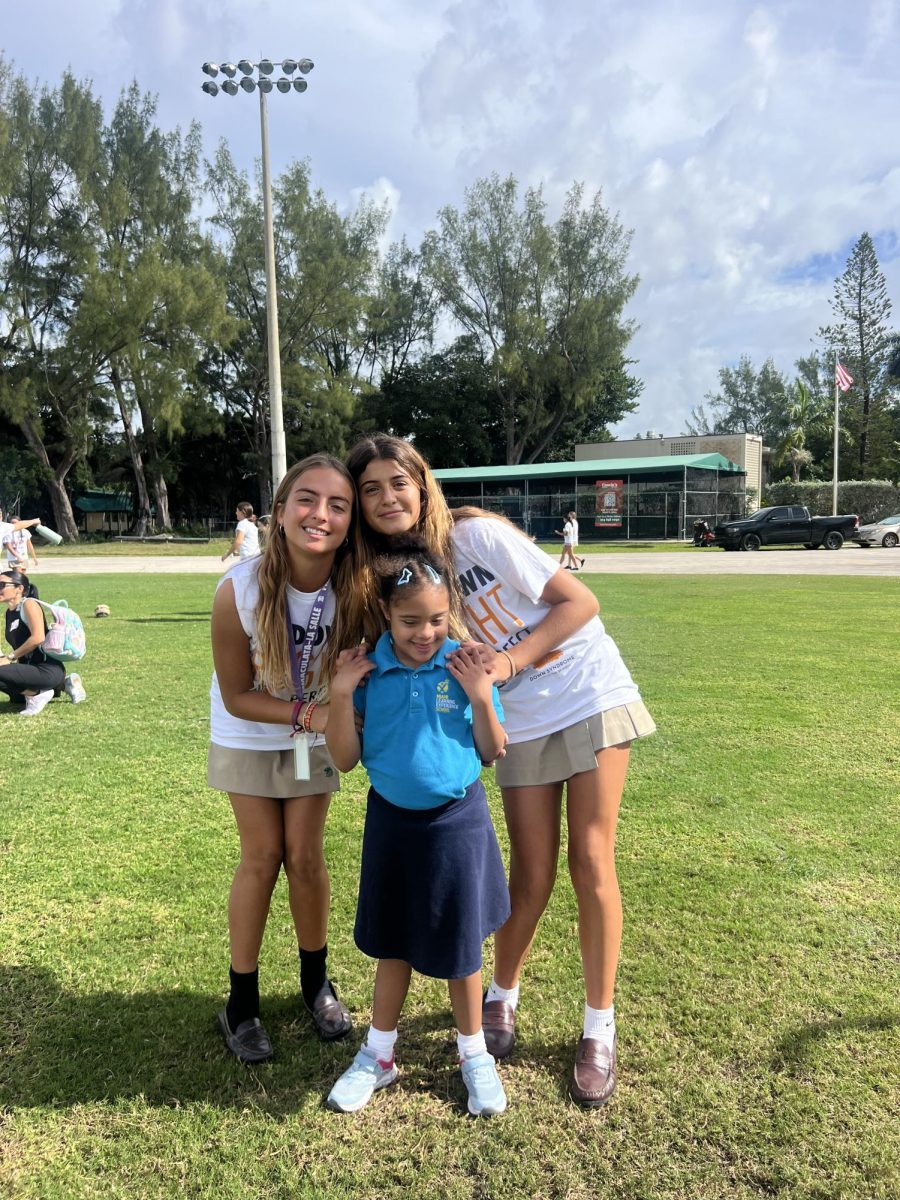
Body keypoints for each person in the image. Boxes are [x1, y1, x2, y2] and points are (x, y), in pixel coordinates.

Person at [346, 434, 655, 1108]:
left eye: (398, 482)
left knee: (591, 860)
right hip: (516, 720)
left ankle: (598, 1029)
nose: (387, 498)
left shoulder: (477, 537)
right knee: (531, 872)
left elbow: (580, 603)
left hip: (587, 691)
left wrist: (509, 664)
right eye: (370, 489)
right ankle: (502, 997)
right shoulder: (397, 574)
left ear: (422, 484)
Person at [325, 536, 510, 1117]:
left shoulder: (463, 663)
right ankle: (379, 1055)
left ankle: (473, 1053)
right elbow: (346, 759)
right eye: (409, 621)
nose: (424, 632)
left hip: (457, 823)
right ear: (386, 613)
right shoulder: (367, 671)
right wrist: (338, 692)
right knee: (393, 943)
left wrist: (481, 695)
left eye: (435, 619)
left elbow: (492, 748)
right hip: (391, 824)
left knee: (462, 949)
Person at [209, 455, 358, 1063]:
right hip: (251, 734)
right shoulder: (236, 590)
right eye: (306, 498)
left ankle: (314, 984)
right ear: (279, 511)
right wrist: (311, 716)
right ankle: (240, 1003)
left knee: (305, 856)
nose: (319, 514)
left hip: (310, 737)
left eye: (337, 505)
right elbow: (239, 696)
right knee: (262, 855)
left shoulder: (355, 589)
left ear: (350, 523)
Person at [0, 569, 66, 716]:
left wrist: (9, 658)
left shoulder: (29, 604)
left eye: (2, 585)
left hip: (46, 669)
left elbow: (38, 638)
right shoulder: (9, 612)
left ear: (19, 589)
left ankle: (37, 694)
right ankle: (59, 687)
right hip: (30, 670)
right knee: (16, 699)